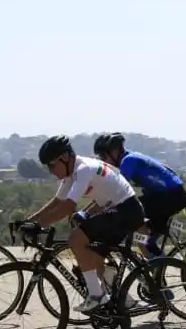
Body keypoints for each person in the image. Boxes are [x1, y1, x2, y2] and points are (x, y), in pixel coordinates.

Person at [26, 134, 144, 313]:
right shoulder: (70, 174)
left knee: (76, 239)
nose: (51, 171)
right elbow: (56, 202)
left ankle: (97, 296)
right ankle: (120, 300)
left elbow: (68, 207)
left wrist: (39, 225)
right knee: (93, 255)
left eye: (52, 165)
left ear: (65, 157)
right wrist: (28, 222)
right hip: (116, 210)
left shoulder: (83, 169)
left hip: (126, 210)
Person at [92, 132, 186, 258]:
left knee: (136, 222)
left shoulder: (128, 161)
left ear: (115, 151)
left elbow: (115, 191)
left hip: (171, 196)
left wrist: (92, 211)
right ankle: (156, 259)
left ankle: (156, 261)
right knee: (139, 230)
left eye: (103, 156)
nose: (103, 160)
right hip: (165, 196)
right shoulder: (128, 158)